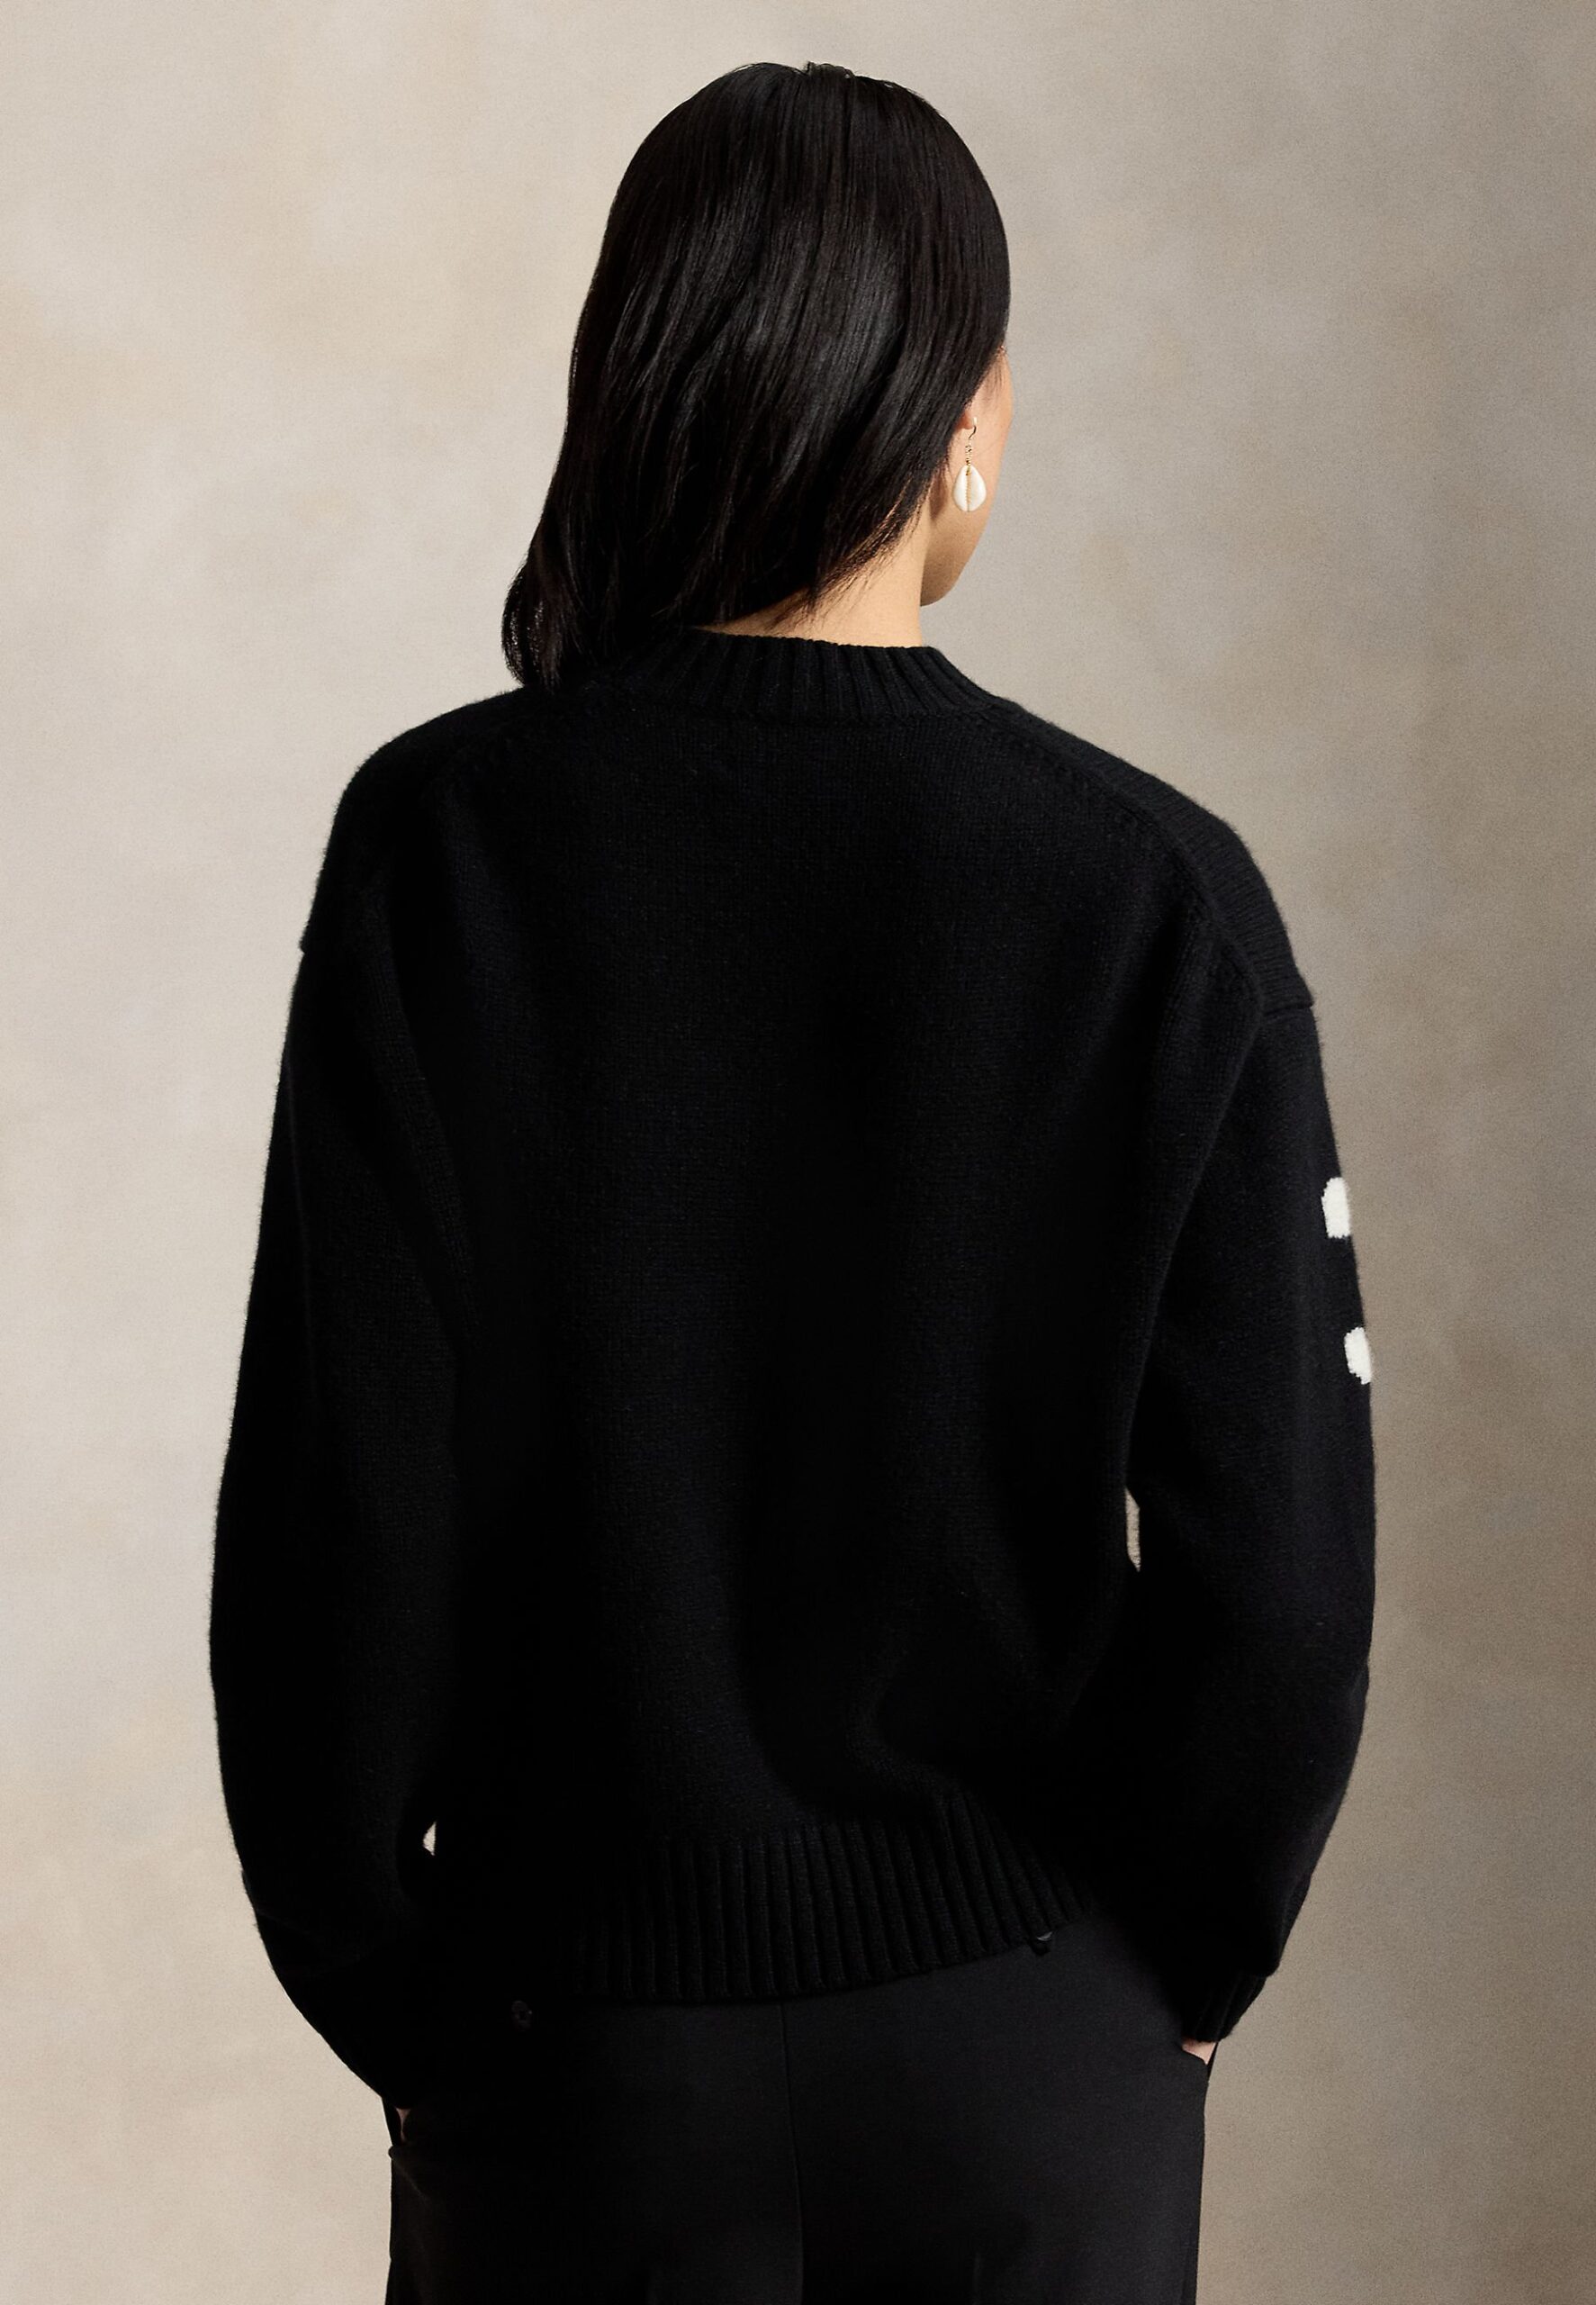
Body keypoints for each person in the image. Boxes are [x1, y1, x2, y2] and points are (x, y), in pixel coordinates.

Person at [209, 59, 1377, 2305]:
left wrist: (397, 1990)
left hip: (568, 2060)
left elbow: (337, 1508)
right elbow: (1279, 1563)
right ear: (960, 420)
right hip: (1031, 2061)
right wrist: (1173, 1968)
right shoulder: (1152, 897)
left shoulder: (441, 855)